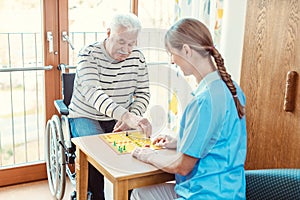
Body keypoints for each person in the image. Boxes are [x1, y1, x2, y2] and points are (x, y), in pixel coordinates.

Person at [131, 18, 247, 200]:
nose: (172, 60)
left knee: (139, 193)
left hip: (204, 194)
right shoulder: (231, 88)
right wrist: (179, 141)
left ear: (186, 50)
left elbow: (182, 166)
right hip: (230, 191)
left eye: (172, 53)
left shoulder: (204, 101)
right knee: (141, 194)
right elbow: (219, 138)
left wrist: (148, 155)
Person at [68, 13, 152, 200]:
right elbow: (93, 94)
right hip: (85, 114)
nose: (126, 50)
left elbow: (143, 93)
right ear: (108, 33)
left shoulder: (137, 58)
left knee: (132, 154)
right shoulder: (88, 54)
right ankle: (94, 196)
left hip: (119, 116)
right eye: (121, 42)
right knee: (96, 156)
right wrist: (127, 117)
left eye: (131, 44)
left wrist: (133, 116)